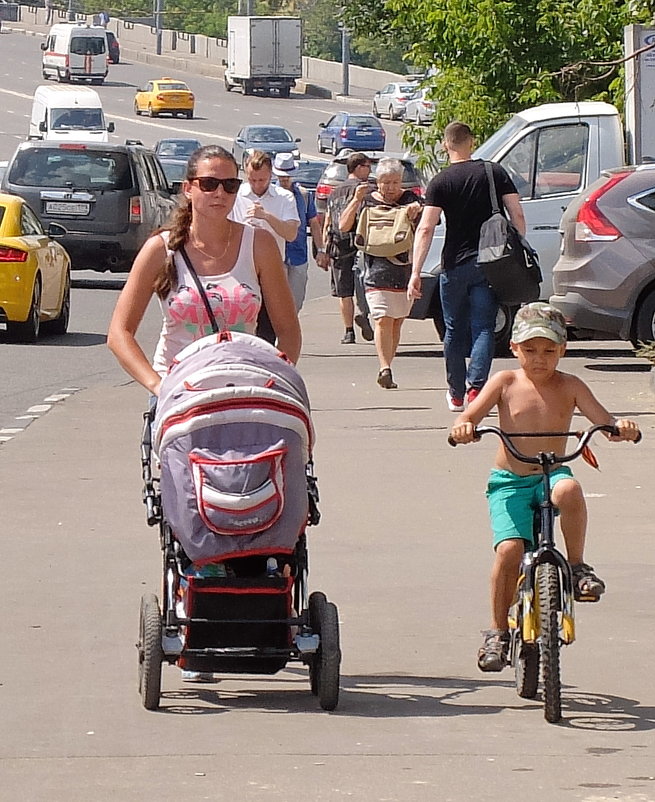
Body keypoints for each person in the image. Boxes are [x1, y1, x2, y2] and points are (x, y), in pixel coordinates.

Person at [449, 302, 640, 672]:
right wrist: (464, 427)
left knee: (570, 490)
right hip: (510, 482)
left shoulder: (570, 385)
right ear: (515, 349)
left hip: (552, 474)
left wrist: (621, 427)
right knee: (508, 551)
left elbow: (604, 420)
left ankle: (578, 565)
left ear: (562, 351)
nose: (540, 359)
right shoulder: (505, 382)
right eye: (531, 350)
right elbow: (468, 416)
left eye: (549, 350)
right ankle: (497, 631)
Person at [107, 144, 301, 399]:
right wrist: (159, 386)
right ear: (188, 189)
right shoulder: (160, 248)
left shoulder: (259, 244)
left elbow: (288, 330)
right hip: (179, 395)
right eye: (209, 184)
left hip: (242, 393)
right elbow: (119, 333)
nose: (220, 193)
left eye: (229, 185)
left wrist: (271, 380)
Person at [409, 121, 526, 412]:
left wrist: (415, 272)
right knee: (484, 327)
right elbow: (517, 213)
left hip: (453, 264)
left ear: (446, 145)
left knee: (453, 329)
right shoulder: (494, 172)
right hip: (491, 263)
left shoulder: (441, 181)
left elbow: (425, 228)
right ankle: (476, 389)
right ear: (471, 142)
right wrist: (519, 246)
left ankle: (456, 393)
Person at [338, 158, 422, 389]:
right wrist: (355, 200)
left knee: (396, 323)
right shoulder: (366, 200)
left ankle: (388, 365)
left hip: (404, 271)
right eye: (385, 182)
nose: (390, 187)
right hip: (374, 271)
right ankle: (385, 367)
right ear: (378, 181)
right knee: (383, 320)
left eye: (395, 182)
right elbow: (344, 226)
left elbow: (427, 228)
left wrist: (417, 211)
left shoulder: (411, 200)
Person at [230, 150, 299, 344]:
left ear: (271, 175)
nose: (257, 184)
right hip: (241, 269)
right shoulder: (236, 196)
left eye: (262, 180)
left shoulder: (284, 198)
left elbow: (291, 233)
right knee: (241, 326)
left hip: (272, 270)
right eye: (252, 180)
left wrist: (266, 216)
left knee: (268, 330)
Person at [324, 152, 375, 344]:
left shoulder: (335, 191)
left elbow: (328, 220)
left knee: (344, 292)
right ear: (358, 167)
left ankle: (348, 331)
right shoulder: (367, 190)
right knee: (368, 283)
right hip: (362, 243)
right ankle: (365, 315)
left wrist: (323, 250)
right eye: (368, 166)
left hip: (338, 244)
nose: (370, 170)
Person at [272, 152, 329, 312]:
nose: (284, 179)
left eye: (287, 176)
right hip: (276, 256)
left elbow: (314, 224)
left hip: (298, 255)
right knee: (276, 303)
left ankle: (289, 333)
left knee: (296, 302)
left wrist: (321, 250)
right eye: (281, 176)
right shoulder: (271, 195)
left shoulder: (304, 195)